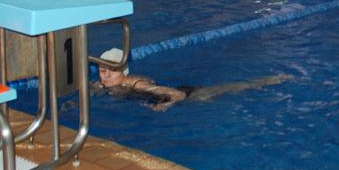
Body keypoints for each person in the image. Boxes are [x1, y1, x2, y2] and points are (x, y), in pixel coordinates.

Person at [93, 48, 292, 112]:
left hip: (190, 95)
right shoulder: (104, 84)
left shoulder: (136, 84)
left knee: (237, 88)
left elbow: (177, 94)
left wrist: (165, 106)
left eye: (111, 71)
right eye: (102, 71)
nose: (106, 76)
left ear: (124, 72)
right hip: (180, 96)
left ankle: (272, 79)